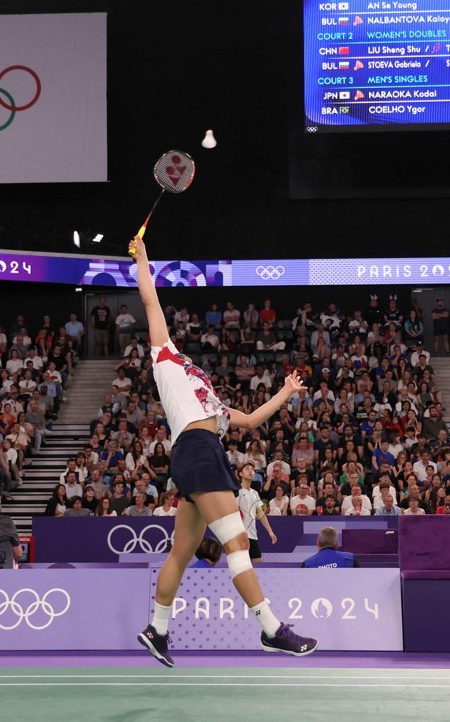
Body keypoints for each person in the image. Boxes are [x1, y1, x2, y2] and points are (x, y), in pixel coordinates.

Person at [130, 237, 316, 668]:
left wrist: (287, 392)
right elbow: (150, 299)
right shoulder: (167, 359)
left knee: (182, 550)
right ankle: (272, 630)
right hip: (197, 450)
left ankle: (157, 629)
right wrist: (143, 258)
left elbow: (250, 420)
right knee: (236, 544)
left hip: (200, 454)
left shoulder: (209, 398)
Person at [236, 463, 277, 562]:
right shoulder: (237, 491)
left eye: (252, 469)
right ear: (240, 474)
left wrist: (270, 532)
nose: (250, 471)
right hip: (240, 536)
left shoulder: (255, 493)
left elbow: (261, 514)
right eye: (247, 469)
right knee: (242, 568)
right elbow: (233, 512)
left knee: (258, 565)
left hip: (253, 536)